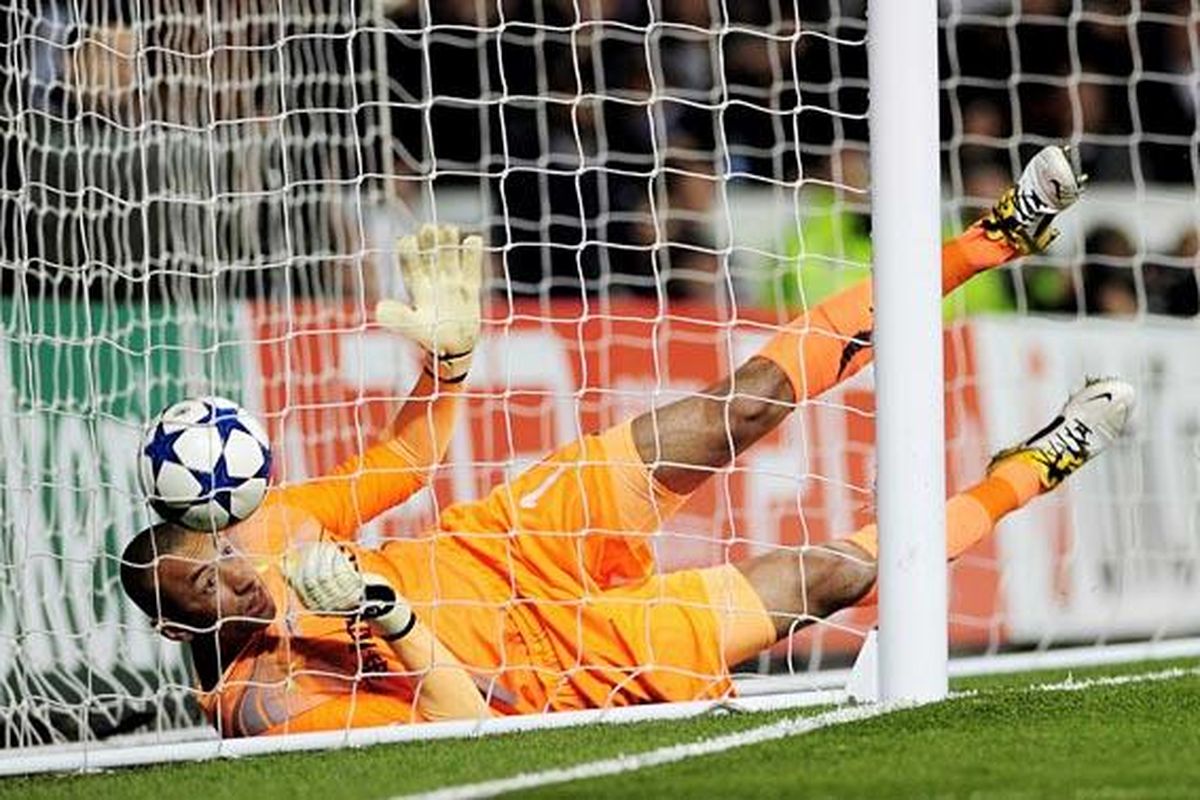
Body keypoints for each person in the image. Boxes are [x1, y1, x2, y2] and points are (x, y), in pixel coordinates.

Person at [119, 147, 1132, 737]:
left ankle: (993, 236)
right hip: (565, 663)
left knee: (741, 405)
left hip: (510, 538)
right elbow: (459, 720)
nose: (239, 573)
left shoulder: (273, 527)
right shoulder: (263, 702)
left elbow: (399, 468)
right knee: (822, 577)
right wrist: (390, 612)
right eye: (208, 584)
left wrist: (451, 365)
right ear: (177, 631)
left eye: (224, 552)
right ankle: (1032, 467)